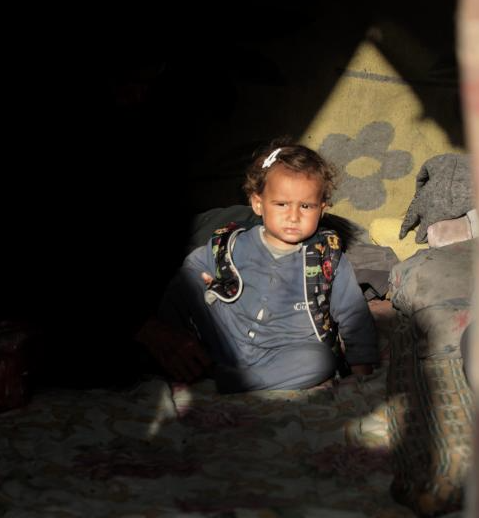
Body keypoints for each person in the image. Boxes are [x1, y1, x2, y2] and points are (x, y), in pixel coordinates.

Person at [136, 141, 378, 393]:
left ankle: (234, 381)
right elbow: (191, 273)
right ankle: (177, 358)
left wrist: (362, 371)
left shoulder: (328, 256)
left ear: (322, 209)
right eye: (281, 204)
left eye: (306, 206)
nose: (293, 216)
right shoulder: (231, 242)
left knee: (321, 360)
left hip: (283, 350)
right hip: (223, 336)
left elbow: (353, 314)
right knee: (188, 280)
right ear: (257, 203)